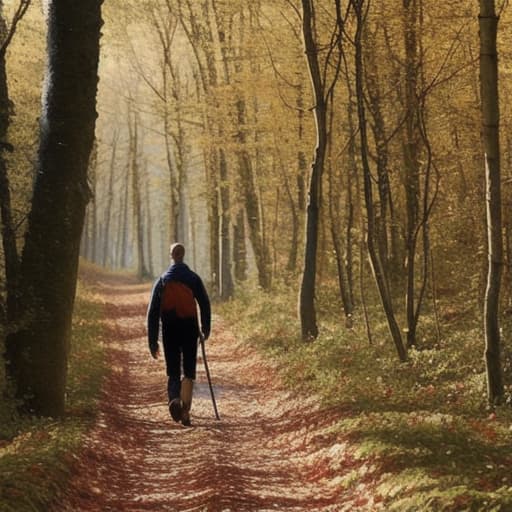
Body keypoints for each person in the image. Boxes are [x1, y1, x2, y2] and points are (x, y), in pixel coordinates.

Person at [146, 243, 211, 426]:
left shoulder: (163, 280)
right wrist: (206, 329)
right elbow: (205, 303)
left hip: (169, 329)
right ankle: (185, 411)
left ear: (171, 256)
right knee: (189, 370)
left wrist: (152, 341)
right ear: (183, 255)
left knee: (173, 368)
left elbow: (152, 312)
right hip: (190, 328)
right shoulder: (193, 278)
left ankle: (174, 398)